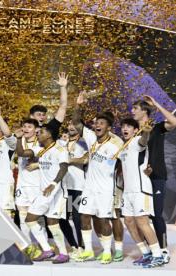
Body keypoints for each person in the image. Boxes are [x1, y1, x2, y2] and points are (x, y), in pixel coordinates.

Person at [72, 92, 124, 264]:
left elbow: (123, 164)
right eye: (96, 123)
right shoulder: (92, 139)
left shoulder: (115, 144)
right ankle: (88, 251)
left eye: (101, 123)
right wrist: (78, 105)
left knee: (103, 220)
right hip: (89, 187)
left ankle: (108, 252)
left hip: (105, 189)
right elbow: (76, 123)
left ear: (109, 127)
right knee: (84, 217)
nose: (97, 125)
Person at [16, 124, 70, 264]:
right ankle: (48, 250)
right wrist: (18, 138)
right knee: (30, 218)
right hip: (44, 192)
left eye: (41, 132)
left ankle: (62, 253)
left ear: (49, 135)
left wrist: (53, 183)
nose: (38, 134)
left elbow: (64, 168)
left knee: (52, 223)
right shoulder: (40, 150)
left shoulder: (60, 150)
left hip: (57, 192)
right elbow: (21, 153)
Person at [132, 95, 176, 264]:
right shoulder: (134, 132)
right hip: (139, 179)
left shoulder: (157, 128)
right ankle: (151, 251)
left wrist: (156, 104)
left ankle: (163, 250)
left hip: (156, 176)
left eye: (135, 108)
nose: (132, 111)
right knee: (141, 217)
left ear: (145, 111)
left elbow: (174, 122)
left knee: (157, 215)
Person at [118, 118, 164, 268]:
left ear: (135, 130)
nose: (125, 129)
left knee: (142, 222)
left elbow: (143, 141)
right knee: (129, 222)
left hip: (141, 190)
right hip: (128, 192)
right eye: (123, 126)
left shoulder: (137, 140)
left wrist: (145, 133)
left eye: (129, 127)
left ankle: (158, 255)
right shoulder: (122, 146)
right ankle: (146, 253)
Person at [13, 118, 42, 259]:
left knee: (37, 218)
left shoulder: (41, 143)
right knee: (23, 216)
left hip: (36, 186)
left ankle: (42, 245)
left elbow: (23, 153)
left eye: (29, 127)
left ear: (36, 130)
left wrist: (39, 165)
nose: (25, 129)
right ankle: (28, 246)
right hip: (22, 185)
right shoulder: (19, 140)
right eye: (24, 126)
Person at [62, 120, 88, 260]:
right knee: (62, 218)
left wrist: (71, 160)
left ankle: (82, 247)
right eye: (69, 124)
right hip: (64, 187)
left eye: (74, 125)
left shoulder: (83, 142)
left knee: (78, 218)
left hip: (77, 186)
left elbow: (86, 159)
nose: (71, 126)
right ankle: (72, 245)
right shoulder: (62, 142)